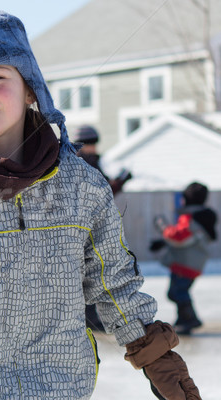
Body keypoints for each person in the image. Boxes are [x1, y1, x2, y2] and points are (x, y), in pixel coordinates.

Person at [0, 11, 201, 400]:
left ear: (30, 88)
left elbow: (111, 279)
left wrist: (155, 355)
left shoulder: (82, 186)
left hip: (63, 386)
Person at [73, 124, 132, 332]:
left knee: (93, 273)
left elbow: (103, 193)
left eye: (94, 143)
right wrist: (116, 184)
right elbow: (99, 192)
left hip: (93, 224)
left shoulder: (91, 162)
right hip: (81, 226)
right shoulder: (79, 162)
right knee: (86, 273)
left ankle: (91, 317)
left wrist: (119, 183)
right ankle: (88, 318)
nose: (93, 148)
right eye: (89, 144)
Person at [150, 182, 218, 335]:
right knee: (178, 291)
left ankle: (190, 319)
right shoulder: (200, 217)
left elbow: (179, 237)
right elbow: (189, 238)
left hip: (185, 263)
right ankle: (183, 319)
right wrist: (163, 243)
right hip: (192, 262)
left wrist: (162, 227)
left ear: (187, 199)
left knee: (177, 292)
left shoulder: (190, 217)